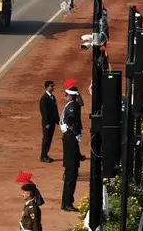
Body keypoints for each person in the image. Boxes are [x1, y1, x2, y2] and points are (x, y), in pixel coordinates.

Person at [60, 81, 84, 212]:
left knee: (71, 179)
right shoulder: (72, 106)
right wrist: (74, 131)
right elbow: (71, 119)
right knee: (70, 180)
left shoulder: (72, 104)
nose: (65, 96)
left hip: (71, 150)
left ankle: (66, 203)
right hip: (70, 157)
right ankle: (67, 204)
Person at [39, 80, 59, 163]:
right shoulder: (44, 98)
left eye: (53, 86)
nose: (53, 87)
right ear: (47, 87)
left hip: (52, 122)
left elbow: (55, 109)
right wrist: (46, 123)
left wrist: (57, 119)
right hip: (47, 123)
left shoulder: (52, 97)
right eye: (51, 86)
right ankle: (43, 156)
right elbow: (44, 112)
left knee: (49, 139)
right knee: (46, 139)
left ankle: (46, 155)